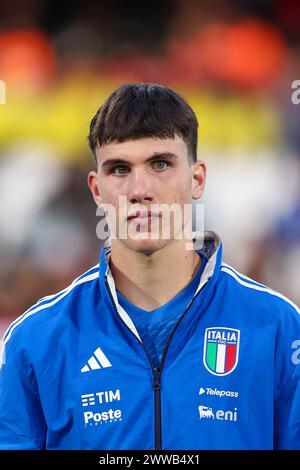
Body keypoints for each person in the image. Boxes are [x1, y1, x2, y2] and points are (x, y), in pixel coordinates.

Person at [0, 83, 299, 450]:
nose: (140, 189)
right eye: (120, 169)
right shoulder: (36, 340)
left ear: (197, 179)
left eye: (160, 164)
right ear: (97, 190)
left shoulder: (280, 329)